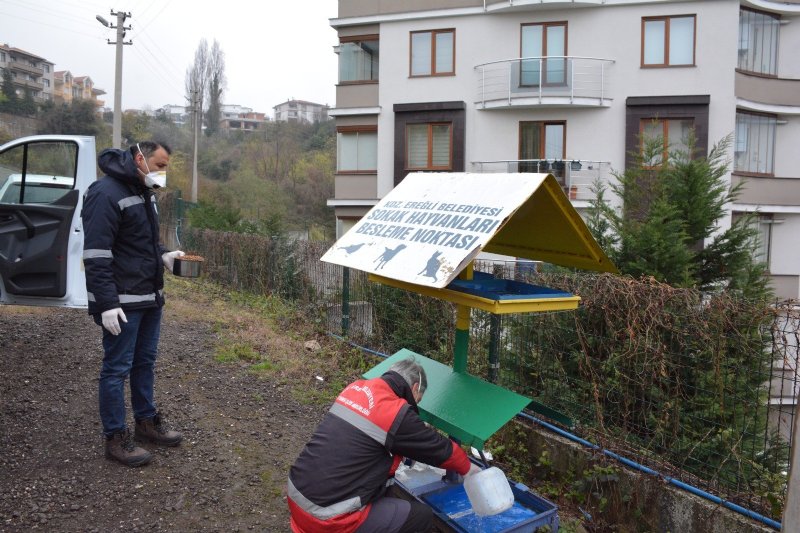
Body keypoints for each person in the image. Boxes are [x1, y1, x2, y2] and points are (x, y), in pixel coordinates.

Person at [287, 357, 481, 532]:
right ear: (414, 389)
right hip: (328, 520)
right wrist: (469, 468)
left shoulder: (355, 388)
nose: (416, 406)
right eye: (418, 401)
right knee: (421, 516)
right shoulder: (395, 412)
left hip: (298, 500)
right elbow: (439, 449)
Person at [82, 140, 185, 467]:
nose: (163, 172)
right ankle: (115, 438)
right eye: (160, 164)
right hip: (123, 302)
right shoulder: (105, 193)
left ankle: (145, 423)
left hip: (149, 297)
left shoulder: (144, 192)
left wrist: (164, 254)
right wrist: (106, 303)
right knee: (116, 369)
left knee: (145, 363)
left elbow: (143, 242)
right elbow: (96, 254)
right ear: (140, 158)